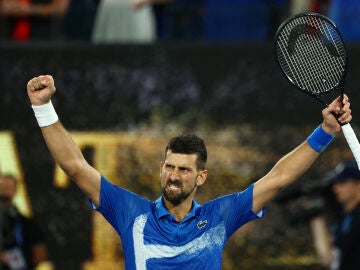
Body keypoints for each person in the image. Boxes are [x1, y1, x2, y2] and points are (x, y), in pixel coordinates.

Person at [26, 74, 352, 269]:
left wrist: (324, 131)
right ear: (161, 169)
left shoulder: (221, 215)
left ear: (200, 177)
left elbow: (279, 177)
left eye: (184, 169)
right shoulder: (131, 213)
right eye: (169, 166)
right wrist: (42, 107)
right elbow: (74, 166)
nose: (174, 175)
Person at [310, 160, 360, 270]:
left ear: (357, 183)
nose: (336, 188)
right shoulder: (344, 217)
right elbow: (329, 259)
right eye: (335, 183)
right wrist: (315, 219)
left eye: (343, 182)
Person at [0, 174, 49, 270]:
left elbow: (40, 256)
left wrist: (13, 258)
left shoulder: (27, 224)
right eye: (1, 187)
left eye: (7, 187)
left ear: (15, 190)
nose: (4, 191)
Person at [0, 0, 69, 41]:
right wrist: (15, 8)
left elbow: (60, 9)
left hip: (44, 39)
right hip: (11, 38)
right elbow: (4, 7)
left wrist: (32, 9)